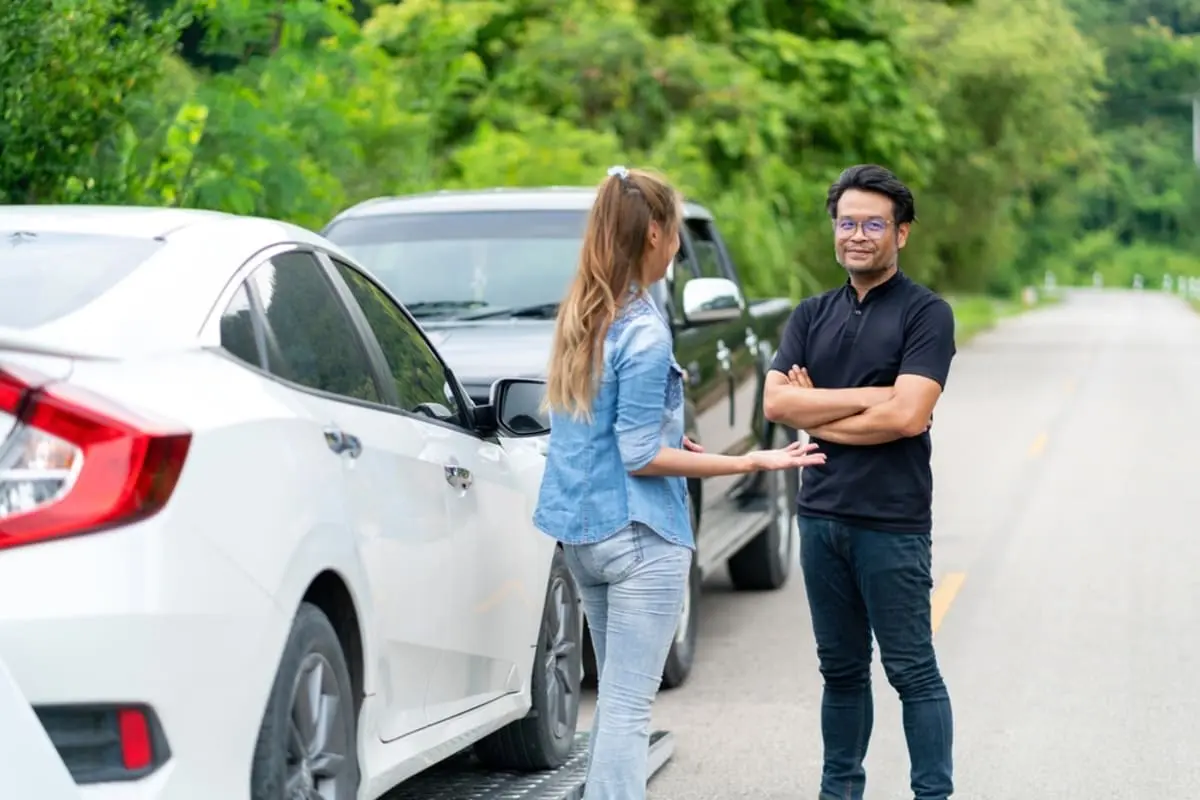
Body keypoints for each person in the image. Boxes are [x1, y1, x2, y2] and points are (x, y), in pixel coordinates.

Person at [534, 165, 827, 800]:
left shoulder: (581, 318)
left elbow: (605, 433)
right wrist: (752, 463)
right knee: (628, 709)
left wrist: (671, 440)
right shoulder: (642, 328)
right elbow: (640, 457)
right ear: (656, 233)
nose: (676, 250)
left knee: (613, 699)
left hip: (584, 535)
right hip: (641, 538)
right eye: (674, 235)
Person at [762, 164, 957, 800]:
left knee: (911, 671)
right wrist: (867, 404)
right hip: (820, 517)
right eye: (847, 223)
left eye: (874, 224)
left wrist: (821, 410)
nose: (858, 235)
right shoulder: (810, 314)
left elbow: (908, 415)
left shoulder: (927, 314)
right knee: (840, 672)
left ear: (902, 234)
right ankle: (837, 793)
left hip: (892, 522)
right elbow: (776, 406)